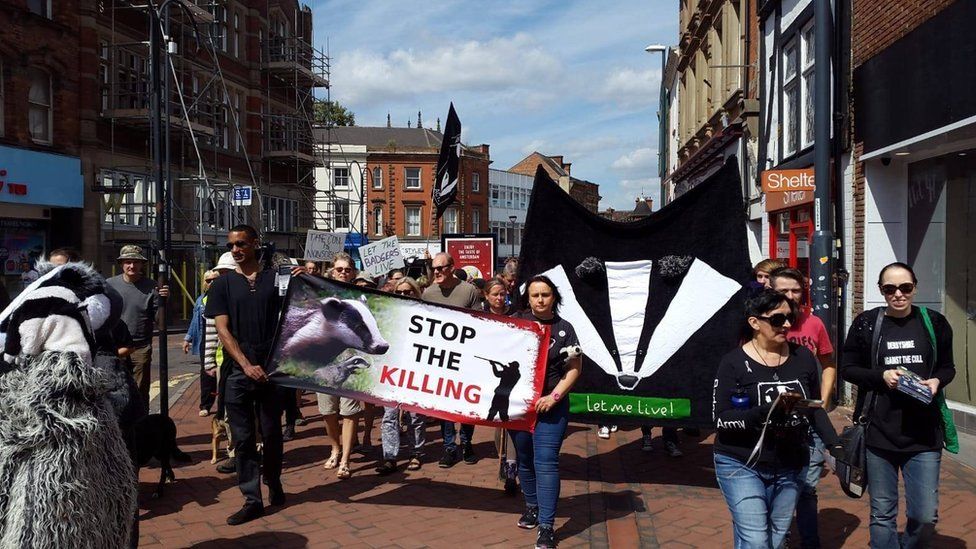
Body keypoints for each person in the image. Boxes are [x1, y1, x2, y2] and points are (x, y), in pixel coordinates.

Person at [712, 288, 839, 549]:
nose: (788, 324)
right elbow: (721, 419)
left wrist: (836, 446)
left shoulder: (802, 356)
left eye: (790, 317)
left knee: (776, 538)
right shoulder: (733, 363)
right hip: (741, 462)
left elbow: (814, 407)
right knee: (757, 540)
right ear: (755, 322)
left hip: (791, 463)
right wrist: (764, 412)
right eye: (778, 319)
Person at [840, 262, 954, 549]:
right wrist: (881, 376)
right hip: (879, 433)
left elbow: (947, 367)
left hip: (924, 434)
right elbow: (848, 368)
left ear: (915, 287)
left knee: (925, 515)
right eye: (890, 289)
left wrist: (937, 382)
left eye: (905, 287)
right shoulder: (867, 323)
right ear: (881, 290)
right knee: (882, 513)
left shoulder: (934, 323)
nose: (898, 294)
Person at [205, 225, 299, 525]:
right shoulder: (222, 285)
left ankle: (273, 479)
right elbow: (222, 329)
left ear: (255, 244)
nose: (236, 250)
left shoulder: (277, 279)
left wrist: (304, 280)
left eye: (241, 243)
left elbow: (300, 312)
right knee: (243, 439)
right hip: (238, 372)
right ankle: (251, 498)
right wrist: (245, 365)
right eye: (231, 245)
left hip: (272, 370)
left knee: (272, 433)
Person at [510, 275, 582, 549]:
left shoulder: (565, 329)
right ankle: (532, 506)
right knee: (524, 459)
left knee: (546, 461)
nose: (540, 300)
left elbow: (575, 369)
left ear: (554, 298)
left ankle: (547, 527)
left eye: (545, 295)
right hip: (519, 407)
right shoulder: (516, 323)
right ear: (527, 298)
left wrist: (553, 397)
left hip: (552, 406)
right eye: (535, 295)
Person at [769, 267, 836, 548]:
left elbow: (829, 363)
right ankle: (780, 540)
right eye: (783, 291)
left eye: (796, 290)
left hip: (809, 420)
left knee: (807, 489)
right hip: (773, 421)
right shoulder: (761, 323)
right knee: (778, 487)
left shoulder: (814, 323)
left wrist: (823, 398)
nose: (791, 296)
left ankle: (810, 542)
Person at [422, 252, 483, 467]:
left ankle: (466, 443)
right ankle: (449, 447)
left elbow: (479, 323)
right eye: (433, 267)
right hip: (440, 359)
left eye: (441, 267)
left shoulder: (469, 291)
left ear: (452, 267)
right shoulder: (428, 293)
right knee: (444, 405)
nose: (436, 271)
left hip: (465, 358)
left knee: (466, 404)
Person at [318, 252, 364, 480]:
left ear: (353, 273)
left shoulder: (360, 296)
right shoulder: (321, 294)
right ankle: (334, 447)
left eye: (347, 269)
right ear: (332, 271)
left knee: (349, 411)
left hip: (351, 358)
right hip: (325, 360)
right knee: (328, 410)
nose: (343, 273)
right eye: (339, 269)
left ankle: (345, 459)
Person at [375, 277, 427, 475]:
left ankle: (416, 453)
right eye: (400, 292)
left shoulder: (427, 314)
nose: (404, 295)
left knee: (415, 415)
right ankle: (390, 457)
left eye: (408, 292)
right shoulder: (388, 314)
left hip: (415, 371)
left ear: (416, 292)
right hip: (392, 371)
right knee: (389, 416)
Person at [106, 245, 170, 405]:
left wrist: (164, 302)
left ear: (142, 264)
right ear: (121, 264)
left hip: (139, 346)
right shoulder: (109, 285)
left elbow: (159, 321)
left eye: (136, 262)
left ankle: (140, 425)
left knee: (139, 391)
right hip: (115, 346)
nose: (132, 266)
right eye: (128, 262)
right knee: (113, 389)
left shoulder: (152, 287)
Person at [184, 270, 221, 416]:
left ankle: (224, 407)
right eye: (208, 280)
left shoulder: (225, 296)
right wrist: (188, 338)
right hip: (205, 340)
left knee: (224, 375)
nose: (211, 283)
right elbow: (195, 321)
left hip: (223, 340)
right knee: (207, 374)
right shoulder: (201, 300)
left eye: (214, 280)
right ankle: (206, 404)